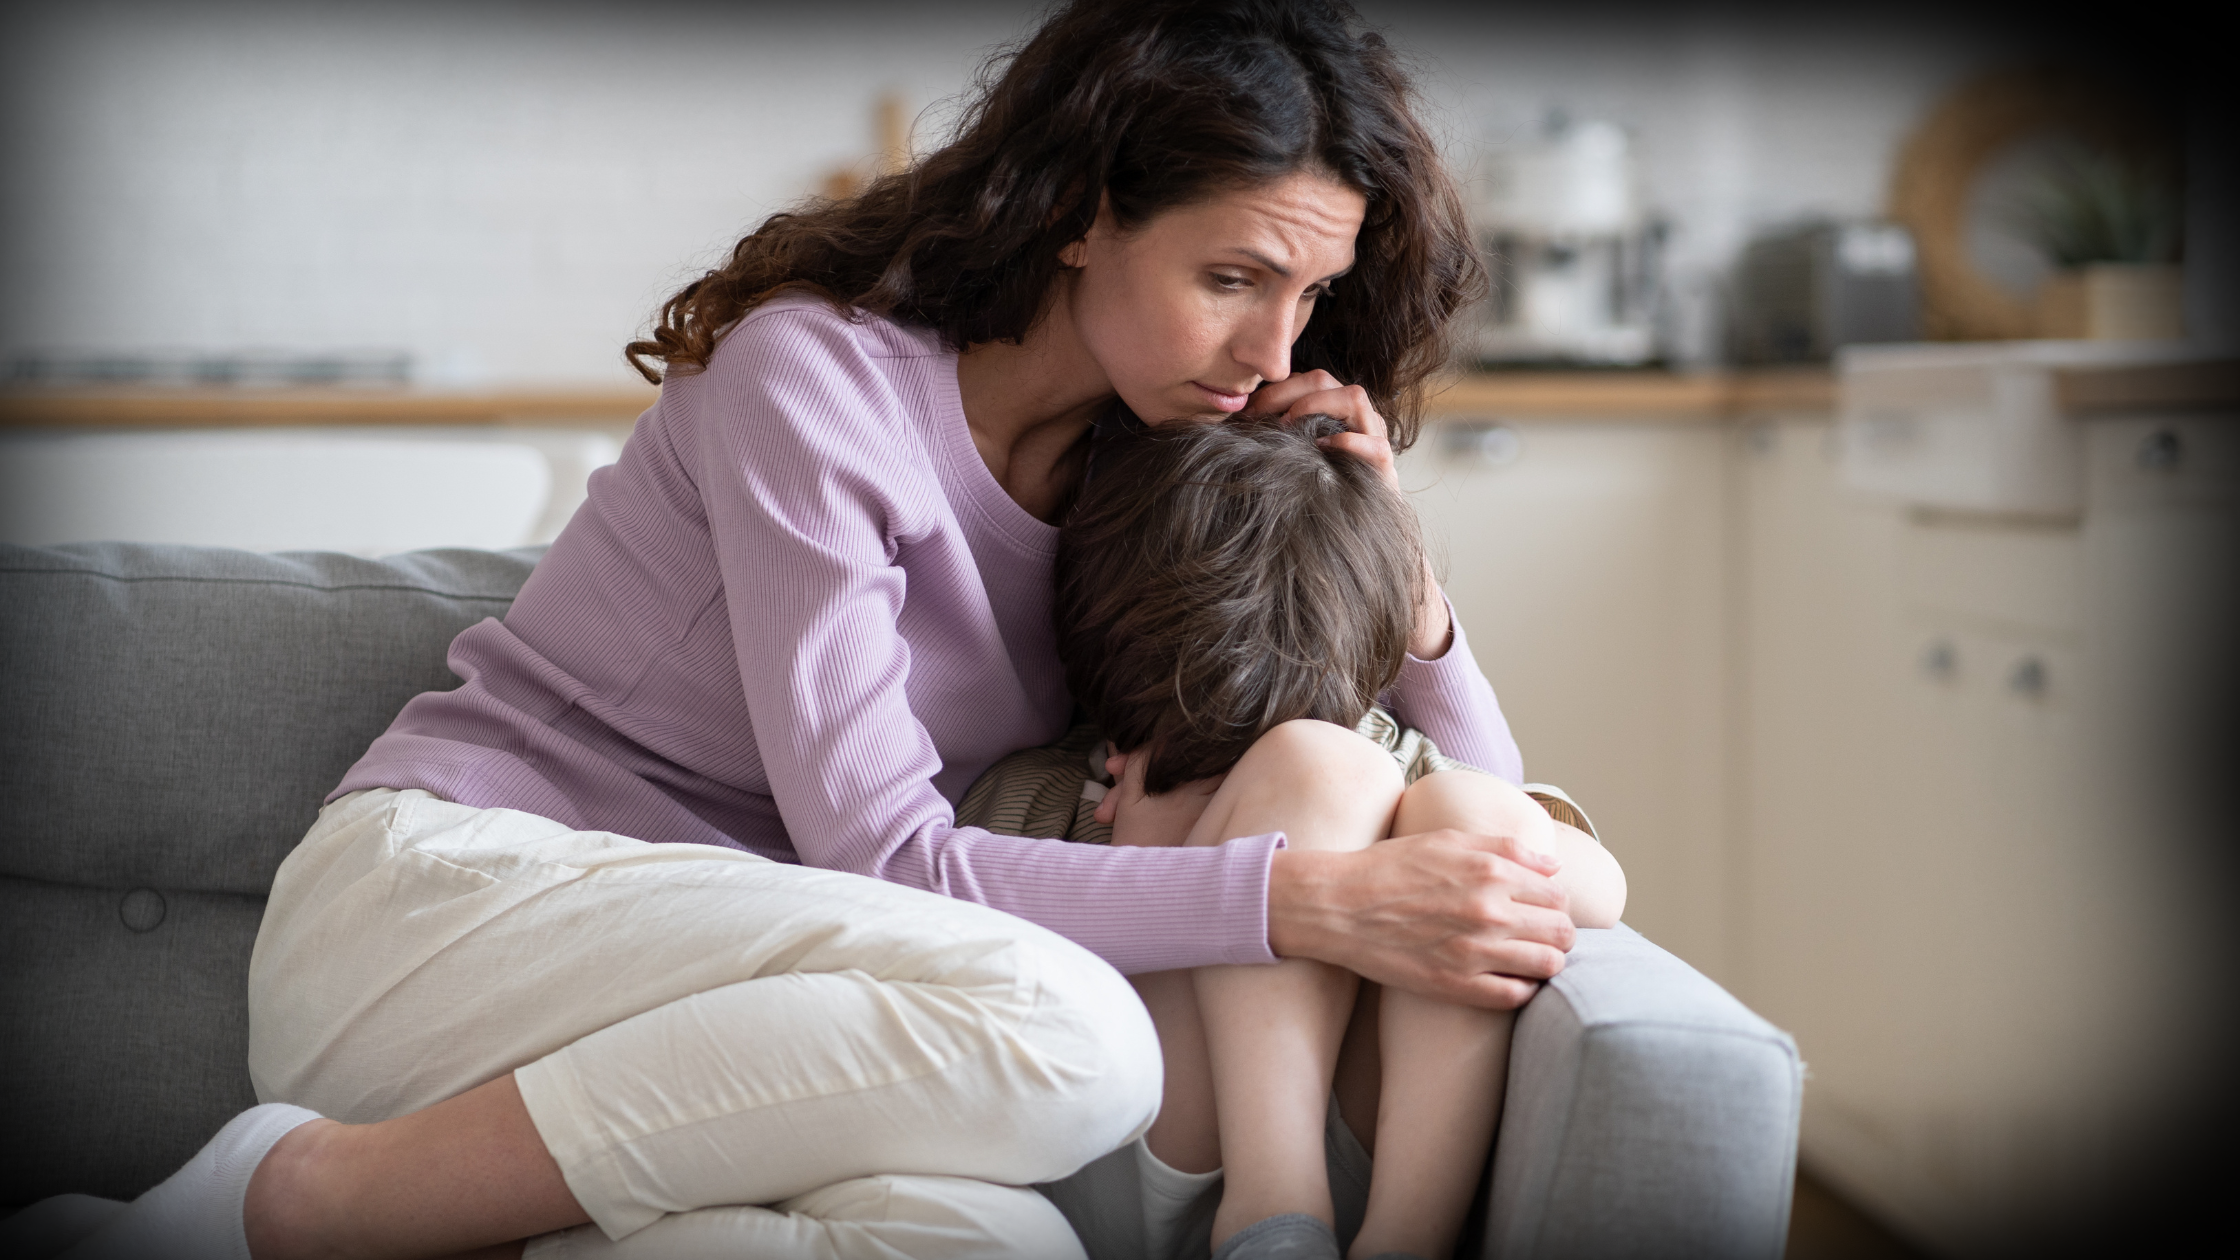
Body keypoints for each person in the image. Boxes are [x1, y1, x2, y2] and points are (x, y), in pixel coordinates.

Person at [46, 3, 1583, 1258]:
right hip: (458, 912)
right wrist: (1309, 907)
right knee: (1073, 1042)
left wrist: (1401, 573)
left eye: (1308, 297)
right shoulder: (819, 387)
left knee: (997, 1244)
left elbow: (1484, 820)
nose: (1273, 351)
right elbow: (888, 862)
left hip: (750, 1007)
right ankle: (271, 1208)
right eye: (1232, 278)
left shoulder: (1150, 460)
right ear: (1076, 217)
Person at [956, 414, 1623, 1260]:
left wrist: (1460, 836)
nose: (1233, 776)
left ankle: (1402, 1242)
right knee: (1326, 770)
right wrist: (1147, 865)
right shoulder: (1065, 787)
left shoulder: (1390, 761)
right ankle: (1275, 1210)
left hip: (1355, 1163)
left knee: (1464, 810)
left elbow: (1598, 892)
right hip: (1143, 1150)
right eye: (1200, 765)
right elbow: (951, 950)